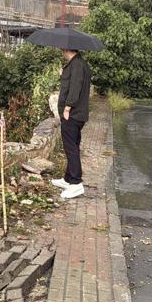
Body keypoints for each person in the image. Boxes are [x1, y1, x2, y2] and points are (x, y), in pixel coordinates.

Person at [51, 48, 92, 199]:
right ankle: (68, 179)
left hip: (73, 114)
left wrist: (67, 108)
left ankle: (76, 183)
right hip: (78, 114)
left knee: (71, 148)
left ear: (67, 49)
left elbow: (75, 88)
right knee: (72, 145)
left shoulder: (77, 65)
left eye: (62, 48)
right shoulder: (78, 64)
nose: (61, 50)